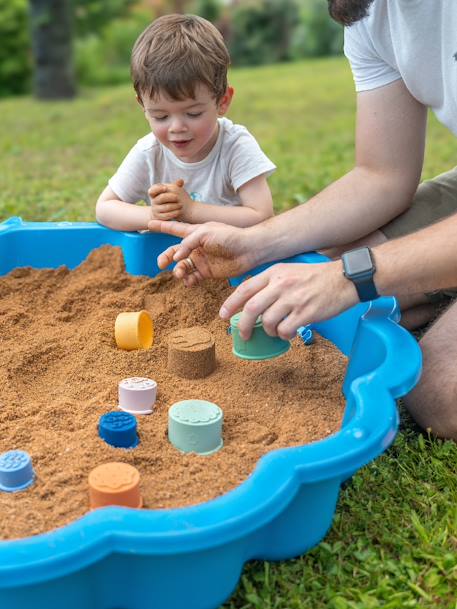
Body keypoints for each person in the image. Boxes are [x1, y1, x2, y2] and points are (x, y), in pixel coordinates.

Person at [148, 0, 457, 440]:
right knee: (313, 267)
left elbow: (349, 275)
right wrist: (258, 241)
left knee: (440, 393)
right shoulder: (368, 11)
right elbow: (381, 176)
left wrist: (350, 278)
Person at [95, 14, 276, 232]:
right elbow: (105, 209)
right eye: (160, 116)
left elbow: (262, 216)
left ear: (222, 102)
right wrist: (151, 214)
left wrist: (191, 211)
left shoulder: (235, 145)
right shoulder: (149, 152)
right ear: (143, 106)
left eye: (193, 113)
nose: (177, 127)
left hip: (228, 257)